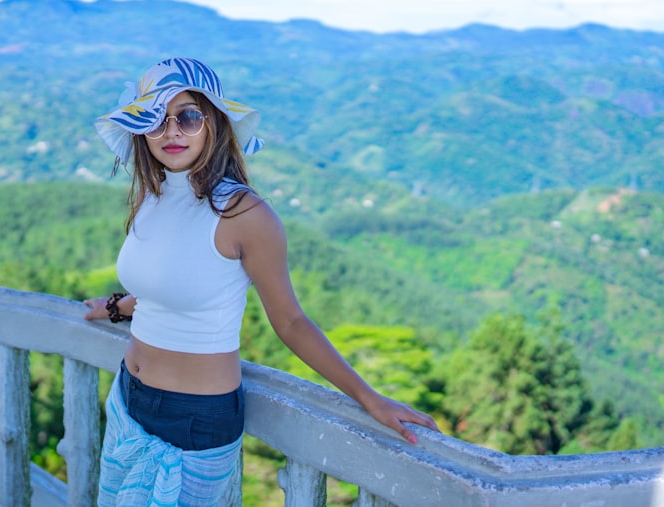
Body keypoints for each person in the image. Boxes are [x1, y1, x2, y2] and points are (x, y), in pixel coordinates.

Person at [84, 57, 440, 505]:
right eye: (156, 120)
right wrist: (115, 307)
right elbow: (172, 288)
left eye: (188, 117)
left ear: (213, 123)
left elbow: (290, 322)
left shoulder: (245, 215)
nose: (171, 131)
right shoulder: (152, 197)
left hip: (194, 420)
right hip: (129, 399)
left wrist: (370, 398)